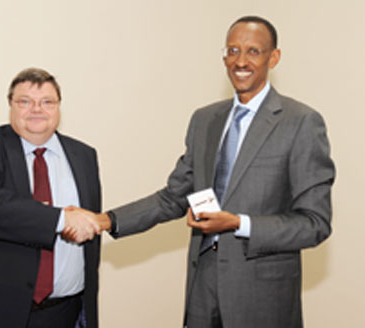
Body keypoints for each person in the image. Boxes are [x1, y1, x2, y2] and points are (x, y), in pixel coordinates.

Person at [71, 16, 336, 328]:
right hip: (202, 286)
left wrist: (238, 223)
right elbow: (174, 197)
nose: (240, 61)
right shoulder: (205, 120)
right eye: (233, 50)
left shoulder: (301, 122)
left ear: (273, 57)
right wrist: (107, 220)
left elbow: (314, 224)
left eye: (253, 51)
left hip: (263, 296)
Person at [0, 68, 102, 328]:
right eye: (25, 101)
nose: (37, 109)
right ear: (10, 106)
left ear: (59, 107)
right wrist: (61, 219)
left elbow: (88, 229)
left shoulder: (84, 155)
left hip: (62, 312)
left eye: (47, 102)